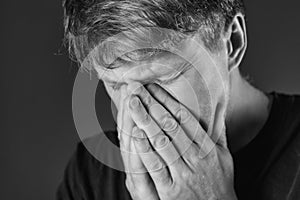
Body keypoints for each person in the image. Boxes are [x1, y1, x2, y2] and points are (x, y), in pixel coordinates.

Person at [57, 0, 300, 199]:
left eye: (163, 79)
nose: (138, 112)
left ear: (232, 43)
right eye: (115, 84)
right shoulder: (89, 175)